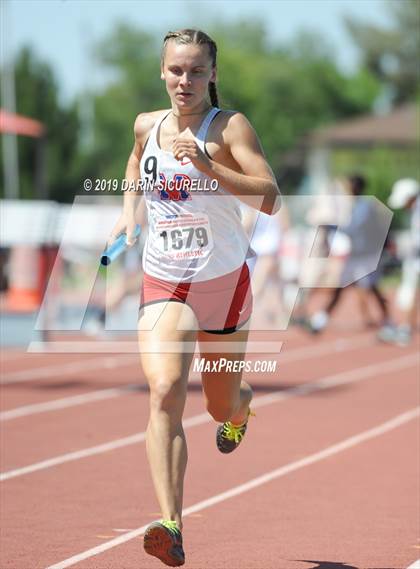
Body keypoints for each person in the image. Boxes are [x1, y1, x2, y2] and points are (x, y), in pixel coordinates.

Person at [108, 29, 280, 567]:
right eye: (176, 70)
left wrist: (209, 167)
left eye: (197, 71)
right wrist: (129, 209)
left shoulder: (229, 126)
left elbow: (271, 197)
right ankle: (171, 524)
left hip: (223, 284)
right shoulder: (147, 125)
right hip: (164, 281)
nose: (186, 81)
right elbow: (136, 162)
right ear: (162, 71)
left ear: (213, 75)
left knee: (218, 403)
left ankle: (242, 406)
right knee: (164, 392)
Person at [308, 174, 391, 334]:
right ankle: (320, 320)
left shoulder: (364, 206)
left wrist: (330, 226)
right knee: (341, 289)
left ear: (355, 187)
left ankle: (388, 320)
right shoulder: (355, 205)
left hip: (366, 255)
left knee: (373, 288)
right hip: (355, 255)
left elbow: (354, 228)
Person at [377, 178, 419, 346]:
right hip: (415, 257)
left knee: (409, 290)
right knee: (409, 290)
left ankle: (404, 327)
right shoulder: (415, 210)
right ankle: (404, 326)